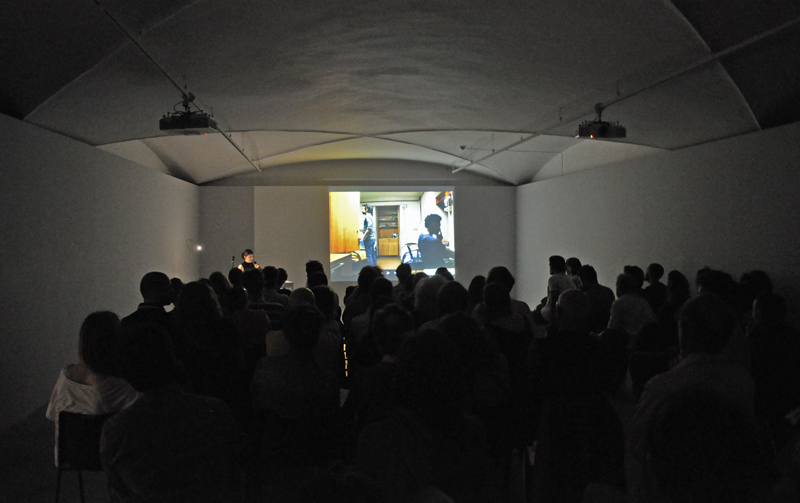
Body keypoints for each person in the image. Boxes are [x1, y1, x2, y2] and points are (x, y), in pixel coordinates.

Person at [46, 311, 139, 466]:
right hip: (108, 458)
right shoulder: (118, 388)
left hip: (69, 455)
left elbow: (52, 414)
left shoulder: (64, 377)